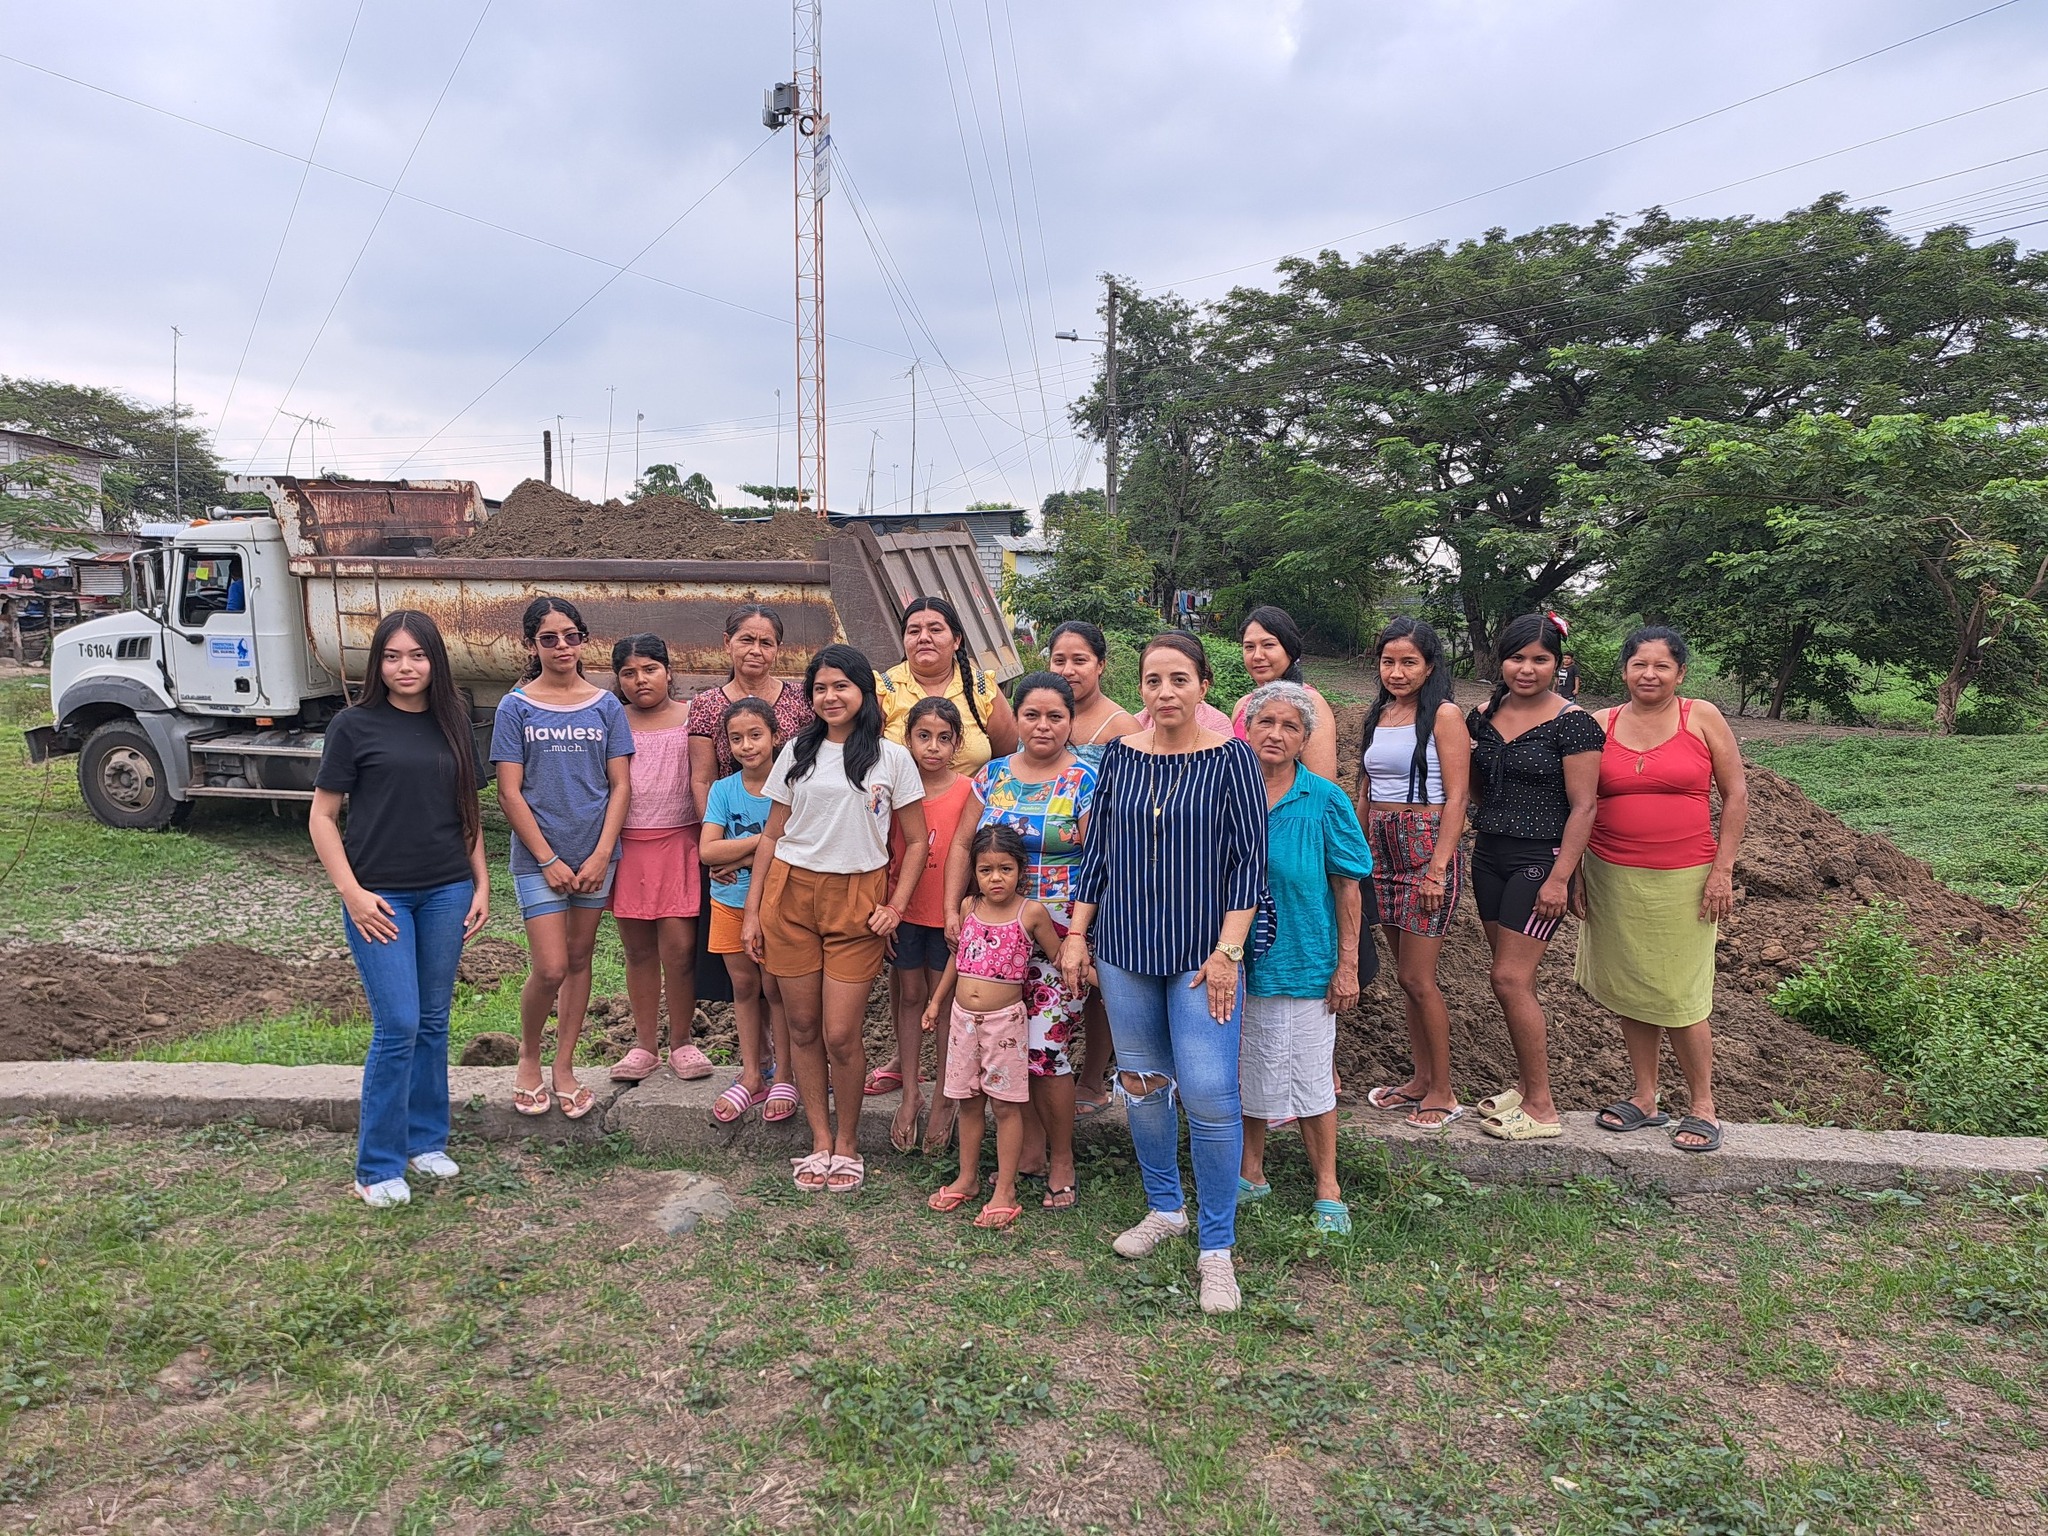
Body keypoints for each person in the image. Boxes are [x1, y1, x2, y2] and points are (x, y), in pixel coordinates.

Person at [1063, 633, 1268, 1316]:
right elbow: (1097, 855)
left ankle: (1217, 1247)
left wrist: (1228, 952)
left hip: (1201, 956)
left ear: (1204, 685)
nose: (1165, 692)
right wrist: (1077, 935)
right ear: (1142, 689)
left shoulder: (1233, 759)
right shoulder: (1120, 757)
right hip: (1124, 950)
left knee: (1208, 1091)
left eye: (1179, 678)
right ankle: (1165, 1207)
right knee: (1143, 1083)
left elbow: (1248, 863)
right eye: (1153, 680)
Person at [311, 611, 488, 1208]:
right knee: (399, 1025)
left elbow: (467, 813)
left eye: (416, 655)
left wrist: (481, 884)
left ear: (435, 661)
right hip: (379, 898)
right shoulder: (352, 725)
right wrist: (352, 894)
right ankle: (377, 1166)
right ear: (377, 663)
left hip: (446, 891)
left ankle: (425, 1140)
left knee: (434, 1022)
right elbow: (322, 818)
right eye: (392, 656)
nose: (404, 667)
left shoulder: (453, 721)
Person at [743, 644, 929, 1194]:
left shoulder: (891, 758)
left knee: (841, 1033)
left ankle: (848, 1142)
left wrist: (896, 906)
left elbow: (917, 841)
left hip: (858, 901)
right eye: (820, 688)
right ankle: (819, 1140)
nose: (830, 696)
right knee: (802, 1026)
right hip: (790, 896)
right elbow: (772, 835)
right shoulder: (797, 751)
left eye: (841, 686)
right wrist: (753, 911)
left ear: (864, 692)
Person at [1577, 626, 1748, 1154]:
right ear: (1624, 670)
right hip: (1611, 874)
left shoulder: (1701, 717)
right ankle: (1645, 1097)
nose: (1649, 675)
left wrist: (1723, 870)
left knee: (1680, 995)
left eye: (1661, 666)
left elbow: (1736, 794)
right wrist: (1575, 871)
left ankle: (1703, 1105)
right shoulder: (1599, 723)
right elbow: (1579, 802)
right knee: (1634, 986)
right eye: (1639, 665)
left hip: (1686, 878)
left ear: (1680, 673)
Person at [948, 672, 1097, 1209]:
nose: (1043, 726)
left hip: (1060, 937)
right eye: (1031, 715)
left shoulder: (1086, 781)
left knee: (1046, 1049)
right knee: (1009, 1047)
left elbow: (1099, 862)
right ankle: (1029, 1151)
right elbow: (962, 845)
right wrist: (951, 910)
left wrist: (1078, 936)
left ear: (1071, 721)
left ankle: (1061, 1159)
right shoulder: (992, 776)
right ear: (1016, 719)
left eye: (1055, 716)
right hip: (996, 935)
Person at [1235, 682, 1370, 1235]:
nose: (1276, 734)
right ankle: (1251, 1171)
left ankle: (1327, 1187)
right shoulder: (1226, 791)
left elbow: (1348, 886)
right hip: (1233, 961)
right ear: (1247, 729)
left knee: (1312, 1076)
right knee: (1246, 1069)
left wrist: (1348, 965)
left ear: (1305, 738)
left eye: (1290, 726)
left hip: (1305, 956)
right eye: (1266, 722)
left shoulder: (1324, 799)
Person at [1464, 613, 1603, 1142]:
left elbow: (1584, 806)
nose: (1526, 669)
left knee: (1508, 978)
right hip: (1488, 856)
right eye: (1516, 658)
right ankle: (1525, 1087)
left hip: (1540, 861)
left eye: (1540, 659)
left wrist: (1560, 878)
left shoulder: (1573, 723)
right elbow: (1476, 785)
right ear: (1501, 661)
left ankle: (1542, 1107)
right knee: (1512, 979)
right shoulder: (1483, 716)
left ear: (1558, 664)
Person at [493, 597, 633, 1121]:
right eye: (548, 638)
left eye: (571, 636)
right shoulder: (516, 708)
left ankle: (564, 1065)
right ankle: (529, 1055)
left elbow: (620, 786)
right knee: (550, 967)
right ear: (532, 645)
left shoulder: (605, 706)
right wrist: (547, 858)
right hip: (539, 860)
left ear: (583, 640)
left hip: (595, 857)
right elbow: (509, 792)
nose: (562, 647)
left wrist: (601, 854)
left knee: (579, 960)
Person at [1357, 619, 1472, 1128]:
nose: (1397, 672)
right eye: (1389, 662)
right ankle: (1420, 1080)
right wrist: (1355, 853)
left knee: (1419, 978)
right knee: (1406, 978)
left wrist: (1437, 869)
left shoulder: (1444, 715)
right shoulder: (1380, 714)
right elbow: (1366, 789)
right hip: (1381, 848)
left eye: (1409, 662)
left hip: (1425, 848)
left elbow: (1458, 797)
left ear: (1429, 667)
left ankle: (1444, 1091)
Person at [923, 825, 1064, 1229]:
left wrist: (1090, 978)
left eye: (1005, 869)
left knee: (1004, 1105)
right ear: (975, 873)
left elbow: (1058, 957)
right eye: (986, 870)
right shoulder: (969, 906)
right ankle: (967, 1178)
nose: (995, 878)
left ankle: (1006, 1189)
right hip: (963, 1021)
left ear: (1021, 870)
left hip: (1005, 1025)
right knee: (969, 1101)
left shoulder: (1030, 913)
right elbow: (957, 958)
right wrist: (936, 1002)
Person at [688, 605, 815, 1006]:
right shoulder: (707, 705)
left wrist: (751, 853)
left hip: (786, 841)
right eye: (746, 640)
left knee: (780, 973)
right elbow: (703, 779)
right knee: (741, 977)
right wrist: (720, 848)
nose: (755, 650)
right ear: (727, 643)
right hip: (730, 839)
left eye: (766, 642)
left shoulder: (800, 701)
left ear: (779, 649)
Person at [870, 697, 979, 1153]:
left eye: (943, 738)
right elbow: (882, 849)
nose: (933, 747)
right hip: (904, 912)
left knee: (946, 1003)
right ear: (908, 739)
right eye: (923, 736)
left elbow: (972, 851)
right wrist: (886, 907)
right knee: (910, 997)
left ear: (956, 744)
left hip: (947, 919)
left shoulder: (970, 791)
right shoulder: (895, 789)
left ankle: (944, 1095)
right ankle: (911, 1090)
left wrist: (965, 905)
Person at [1045, 620, 1137, 1119]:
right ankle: (1045, 1069)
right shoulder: (1042, 712)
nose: (1068, 669)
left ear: (1101, 665)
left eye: (1079, 660)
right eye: (1059, 660)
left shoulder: (1122, 728)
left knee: (1102, 975)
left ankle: (1094, 1075)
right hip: (1046, 875)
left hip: (1105, 870)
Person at [607, 634, 709, 1083]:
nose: (640, 680)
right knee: (637, 950)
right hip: (629, 846)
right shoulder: (612, 720)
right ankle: (644, 1045)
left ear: (669, 671)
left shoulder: (692, 718)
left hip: (681, 843)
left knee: (681, 950)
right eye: (629, 673)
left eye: (650, 669)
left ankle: (682, 1042)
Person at [701, 698, 800, 1125]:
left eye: (755, 735)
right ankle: (752, 1073)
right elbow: (707, 851)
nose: (746, 745)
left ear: (776, 737)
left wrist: (741, 856)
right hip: (729, 902)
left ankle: (786, 1073)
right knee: (744, 987)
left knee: (776, 989)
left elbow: (798, 845)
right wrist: (765, 842)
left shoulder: (794, 786)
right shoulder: (724, 790)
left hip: (779, 905)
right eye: (736, 738)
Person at [876, 595, 1018, 773]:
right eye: (914, 631)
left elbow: (1008, 760)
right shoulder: (883, 689)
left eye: (935, 630)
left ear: (956, 640)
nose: (923, 637)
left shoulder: (983, 688)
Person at [1231, 606, 1339, 783]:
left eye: (1268, 645)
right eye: (1249, 647)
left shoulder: (1310, 704)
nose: (1257, 656)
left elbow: (1322, 785)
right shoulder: (1243, 705)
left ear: (1289, 649)